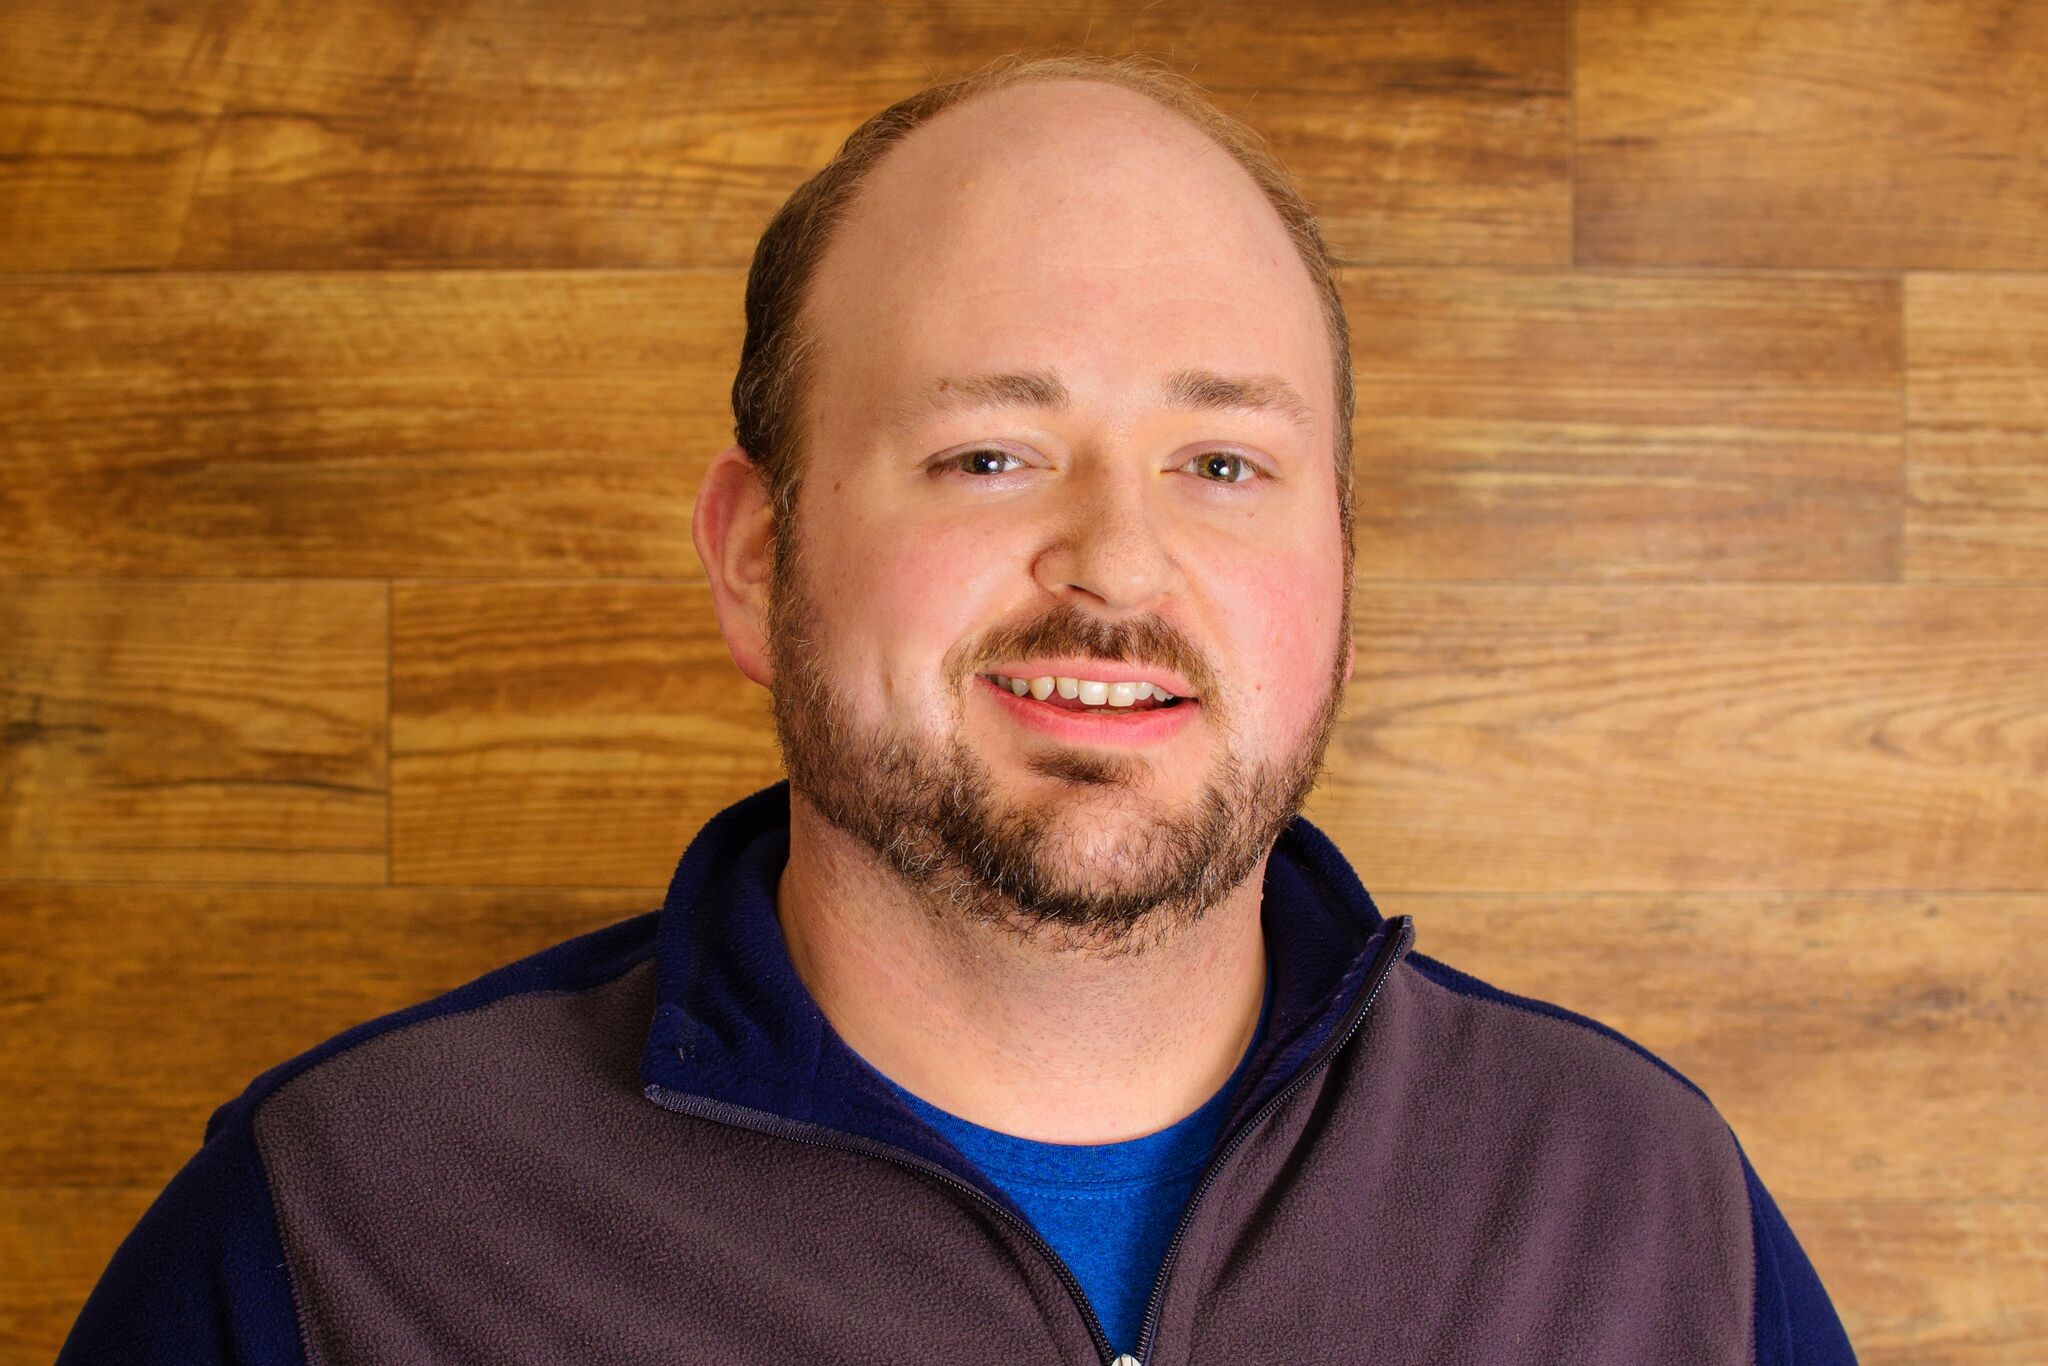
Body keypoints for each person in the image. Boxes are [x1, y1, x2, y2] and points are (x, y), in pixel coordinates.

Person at [58, 52, 1857, 1365]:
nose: (1119, 563)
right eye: (989, 452)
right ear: (759, 555)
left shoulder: (1647, 1212)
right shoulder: (339, 1225)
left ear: (1340, 564)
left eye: (1223, 462)